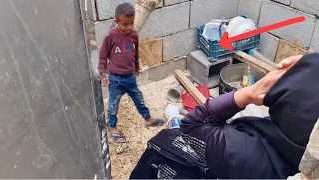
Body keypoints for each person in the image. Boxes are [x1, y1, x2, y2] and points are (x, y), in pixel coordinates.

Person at [130, 53, 319, 179]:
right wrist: (311, 66)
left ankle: (172, 120)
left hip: (220, 163)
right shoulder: (302, 143)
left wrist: (247, 94)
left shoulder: (242, 152)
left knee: (166, 142)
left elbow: (193, 124)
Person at [98, 3, 165, 143]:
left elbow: (135, 52)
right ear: (116, 21)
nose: (129, 27)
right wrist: (103, 74)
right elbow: (103, 56)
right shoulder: (110, 37)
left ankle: (148, 119)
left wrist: (136, 68)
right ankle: (112, 126)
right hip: (115, 79)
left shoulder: (133, 34)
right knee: (113, 103)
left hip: (130, 77)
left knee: (138, 98)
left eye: (131, 23)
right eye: (125, 24)